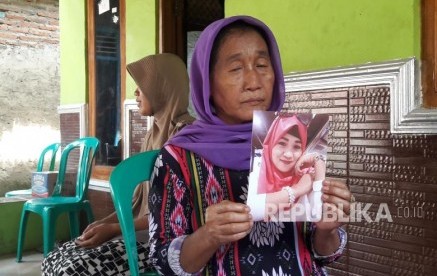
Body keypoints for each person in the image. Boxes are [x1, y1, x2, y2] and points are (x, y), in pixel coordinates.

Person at [148, 16, 352, 275]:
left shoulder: (296, 142)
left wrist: (328, 229)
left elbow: (322, 254)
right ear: (206, 81)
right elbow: (163, 263)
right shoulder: (177, 159)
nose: (254, 82)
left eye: (262, 65)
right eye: (236, 69)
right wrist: (208, 236)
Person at [41, 53, 195, 275]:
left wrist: (114, 228)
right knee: (55, 258)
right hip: (137, 234)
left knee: (73, 270)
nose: (136, 93)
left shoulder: (186, 136)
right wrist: (102, 223)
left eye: (142, 86)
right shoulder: (153, 135)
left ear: (162, 88)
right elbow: (136, 202)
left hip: (166, 243)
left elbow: (177, 212)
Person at [247, 113, 326, 221]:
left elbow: (321, 216)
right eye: (282, 144)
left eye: (297, 147)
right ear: (270, 145)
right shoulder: (253, 179)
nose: (288, 154)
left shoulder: (308, 178)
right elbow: (246, 213)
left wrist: (318, 159)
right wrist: (296, 190)